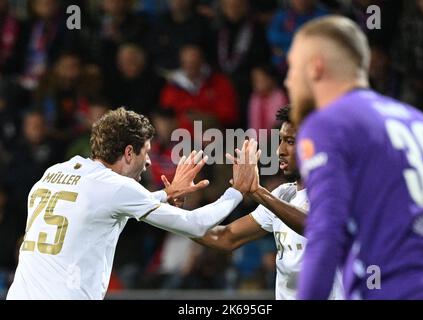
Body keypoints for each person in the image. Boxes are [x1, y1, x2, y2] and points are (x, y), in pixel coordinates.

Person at [6, 107, 258, 300]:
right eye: (145, 152)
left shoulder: (55, 172)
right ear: (128, 153)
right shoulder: (115, 187)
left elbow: (102, 202)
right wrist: (236, 191)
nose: (148, 162)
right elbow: (195, 224)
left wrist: (164, 194)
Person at [285, 15, 423, 299]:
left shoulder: (328, 123)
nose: (288, 80)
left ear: (316, 67)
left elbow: (325, 234)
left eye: (292, 67)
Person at [191, 105, 343, 300]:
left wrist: (258, 192)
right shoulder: (282, 194)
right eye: (281, 140)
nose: (280, 150)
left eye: (290, 141)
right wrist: (169, 214)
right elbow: (226, 237)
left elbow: (315, 226)